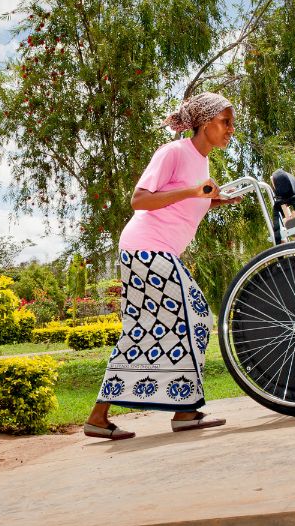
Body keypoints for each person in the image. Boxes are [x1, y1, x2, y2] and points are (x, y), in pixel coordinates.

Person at [83, 92, 240, 440]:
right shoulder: (174, 151)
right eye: (225, 122)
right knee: (196, 316)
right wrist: (194, 191)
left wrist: (216, 200)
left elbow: (185, 203)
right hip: (146, 248)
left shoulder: (201, 162)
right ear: (204, 123)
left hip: (157, 251)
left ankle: (100, 418)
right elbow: (139, 200)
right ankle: (183, 412)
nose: (231, 129)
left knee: (147, 327)